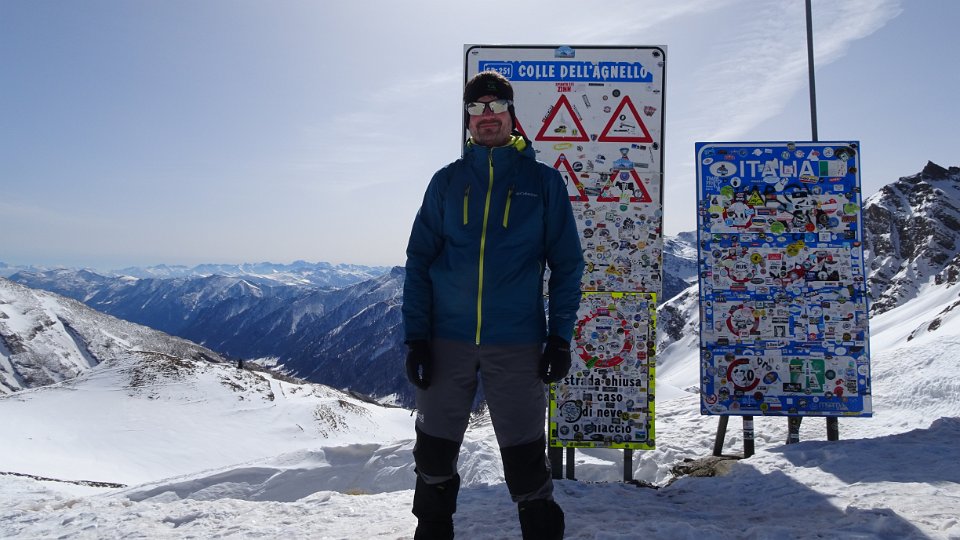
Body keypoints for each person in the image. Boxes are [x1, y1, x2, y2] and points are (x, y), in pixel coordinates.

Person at [402, 70, 585, 540]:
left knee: (526, 460)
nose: (486, 115)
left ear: (511, 114)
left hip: (517, 340)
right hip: (446, 339)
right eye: (476, 108)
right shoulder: (446, 182)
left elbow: (567, 264)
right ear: (467, 119)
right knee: (433, 455)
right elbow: (419, 261)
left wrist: (560, 338)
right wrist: (417, 338)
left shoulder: (542, 183)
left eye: (495, 106)